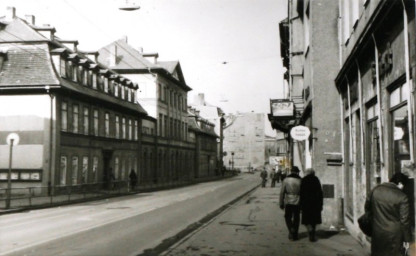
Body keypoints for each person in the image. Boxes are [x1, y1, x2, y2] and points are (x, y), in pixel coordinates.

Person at [364, 172, 411, 256]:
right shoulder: (402, 197)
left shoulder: (375, 190)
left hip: (377, 233)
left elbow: (367, 208)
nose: (403, 188)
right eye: (404, 185)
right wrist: (407, 240)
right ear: (400, 183)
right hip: (395, 236)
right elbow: (405, 221)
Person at [299, 168, 323, 242]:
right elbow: (320, 193)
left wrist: (301, 203)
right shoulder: (316, 180)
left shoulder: (304, 180)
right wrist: (321, 204)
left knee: (307, 220)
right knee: (314, 220)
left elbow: (301, 193)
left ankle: (310, 229)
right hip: (315, 203)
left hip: (306, 203)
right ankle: (312, 233)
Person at [279, 166, 301, 240]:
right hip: (298, 201)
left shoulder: (286, 180)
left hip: (288, 200)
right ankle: (295, 234)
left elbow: (282, 192)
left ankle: (291, 228)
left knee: (287, 216)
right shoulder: (300, 180)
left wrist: (281, 202)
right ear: (297, 172)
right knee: (296, 218)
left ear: (291, 171)